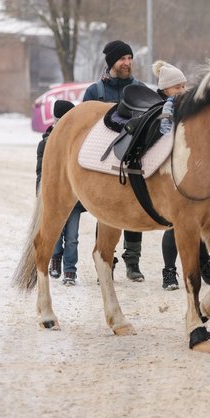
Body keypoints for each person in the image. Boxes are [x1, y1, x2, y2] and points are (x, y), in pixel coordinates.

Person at [82, 40, 149, 282]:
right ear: (111, 62)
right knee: (107, 213)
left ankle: (133, 262)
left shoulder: (140, 88)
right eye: (122, 59)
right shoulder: (94, 92)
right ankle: (106, 262)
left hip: (133, 159)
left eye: (130, 58)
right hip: (102, 162)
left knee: (135, 209)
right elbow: (83, 128)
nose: (127, 63)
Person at [151, 60, 210, 291]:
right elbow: (165, 133)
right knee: (175, 226)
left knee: (196, 223)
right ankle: (169, 271)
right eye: (176, 87)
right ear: (166, 90)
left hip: (191, 169)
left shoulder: (189, 104)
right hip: (172, 171)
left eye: (183, 85)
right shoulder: (168, 106)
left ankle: (205, 261)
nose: (182, 90)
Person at [36, 100, 83, 286]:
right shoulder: (46, 144)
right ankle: (55, 260)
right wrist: (40, 193)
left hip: (74, 200)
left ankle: (70, 269)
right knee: (54, 234)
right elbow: (41, 171)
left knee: (72, 237)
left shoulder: (78, 144)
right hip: (54, 198)